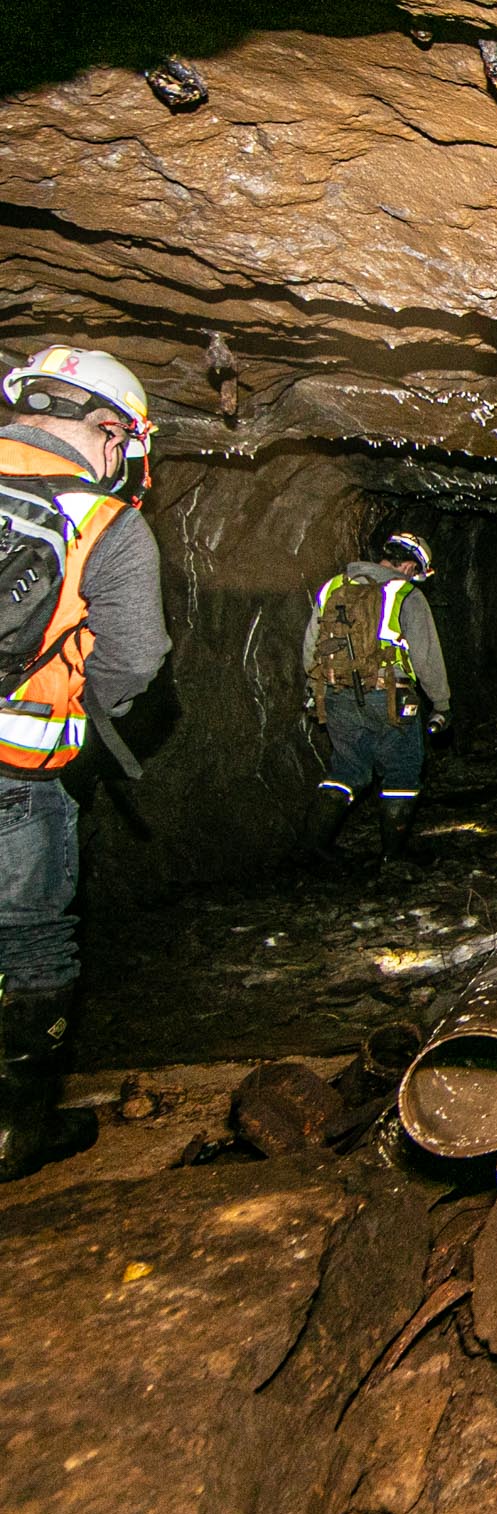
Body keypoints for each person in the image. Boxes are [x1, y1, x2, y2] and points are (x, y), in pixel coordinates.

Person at [0, 344, 170, 1180]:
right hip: (17, 777)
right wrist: (77, 712)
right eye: (123, 447)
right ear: (109, 430)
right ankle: (15, 1131)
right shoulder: (105, 520)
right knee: (31, 943)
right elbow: (136, 658)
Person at [301, 530, 451, 868]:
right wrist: (441, 704)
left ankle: (314, 846)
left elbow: (311, 646)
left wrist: (316, 692)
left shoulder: (333, 587)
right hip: (389, 697)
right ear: (411, 566)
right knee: (402, 769)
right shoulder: (406, 594)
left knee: (348, 768)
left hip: (337, 694)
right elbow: (427, 657)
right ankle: (393, 854)